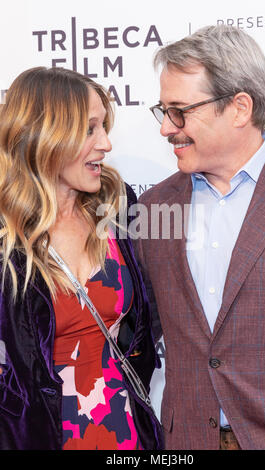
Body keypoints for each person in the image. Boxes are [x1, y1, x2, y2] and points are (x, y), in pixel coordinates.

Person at [134, 25, 265, 450]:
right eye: (163, 111)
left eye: (179, 111)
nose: (166, 129)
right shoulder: (155, 206)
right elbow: (143, 332)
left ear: (240, 108)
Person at [0, 66, 163, 450]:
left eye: (104, 127)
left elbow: (146, 323)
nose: (106, 143)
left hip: (126, 430)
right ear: (45, 134)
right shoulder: (6, 234)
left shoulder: (117, 207)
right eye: (90, 129)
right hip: (38, 435)